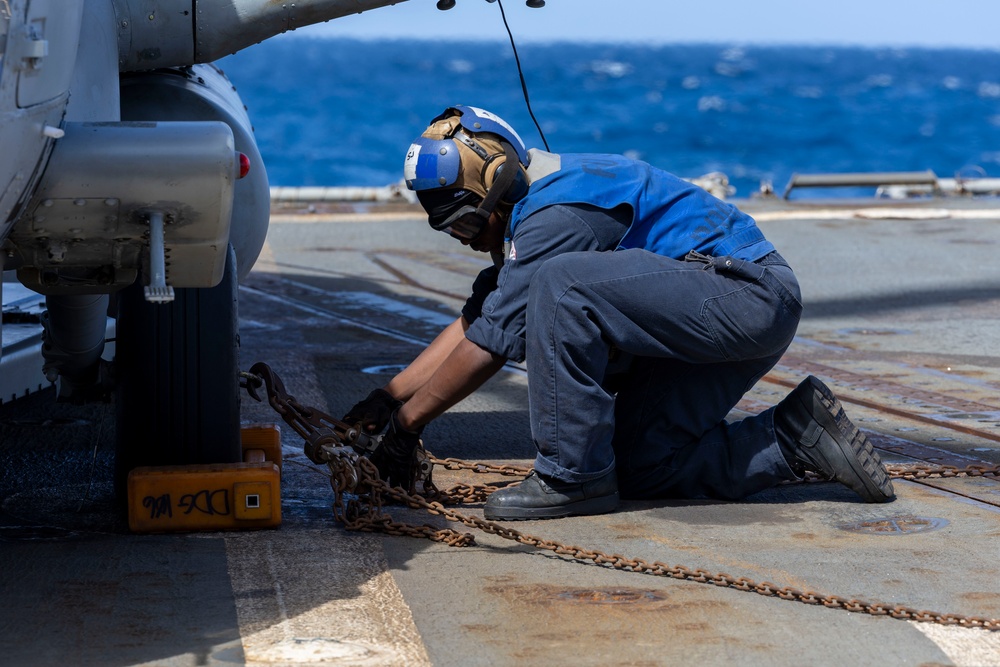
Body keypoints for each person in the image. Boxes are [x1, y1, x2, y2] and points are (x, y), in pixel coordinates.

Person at [344, 105, 894, 521]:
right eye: (451, 231)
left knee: (559, 285)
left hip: (745, 297)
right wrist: (389, 399)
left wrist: (408, 427)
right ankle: (795, 435)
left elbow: (490, 344)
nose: (466, 240)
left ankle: (570, 477)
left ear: (499, 184)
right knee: (639, 465)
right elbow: (481, 321)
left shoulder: (557, 217)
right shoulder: (537, 206)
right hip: (716, 313)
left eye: (467, 222)